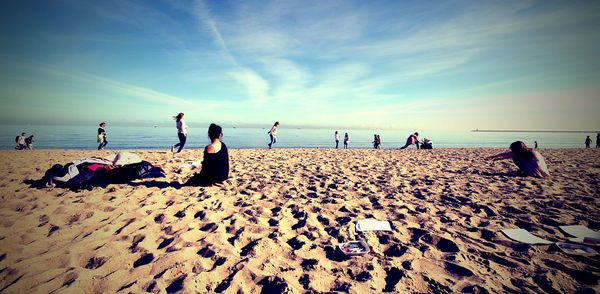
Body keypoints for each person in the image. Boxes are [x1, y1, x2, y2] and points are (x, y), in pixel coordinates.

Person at [486, 141, 550, 178]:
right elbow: (507, 154)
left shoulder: (519, 153)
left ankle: (524, 172)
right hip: (544, 172)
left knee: (515, 157)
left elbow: (508, 154)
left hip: (533, 173)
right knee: (515, 156)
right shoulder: (531, 151)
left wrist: (495, 157)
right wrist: (496, 157)